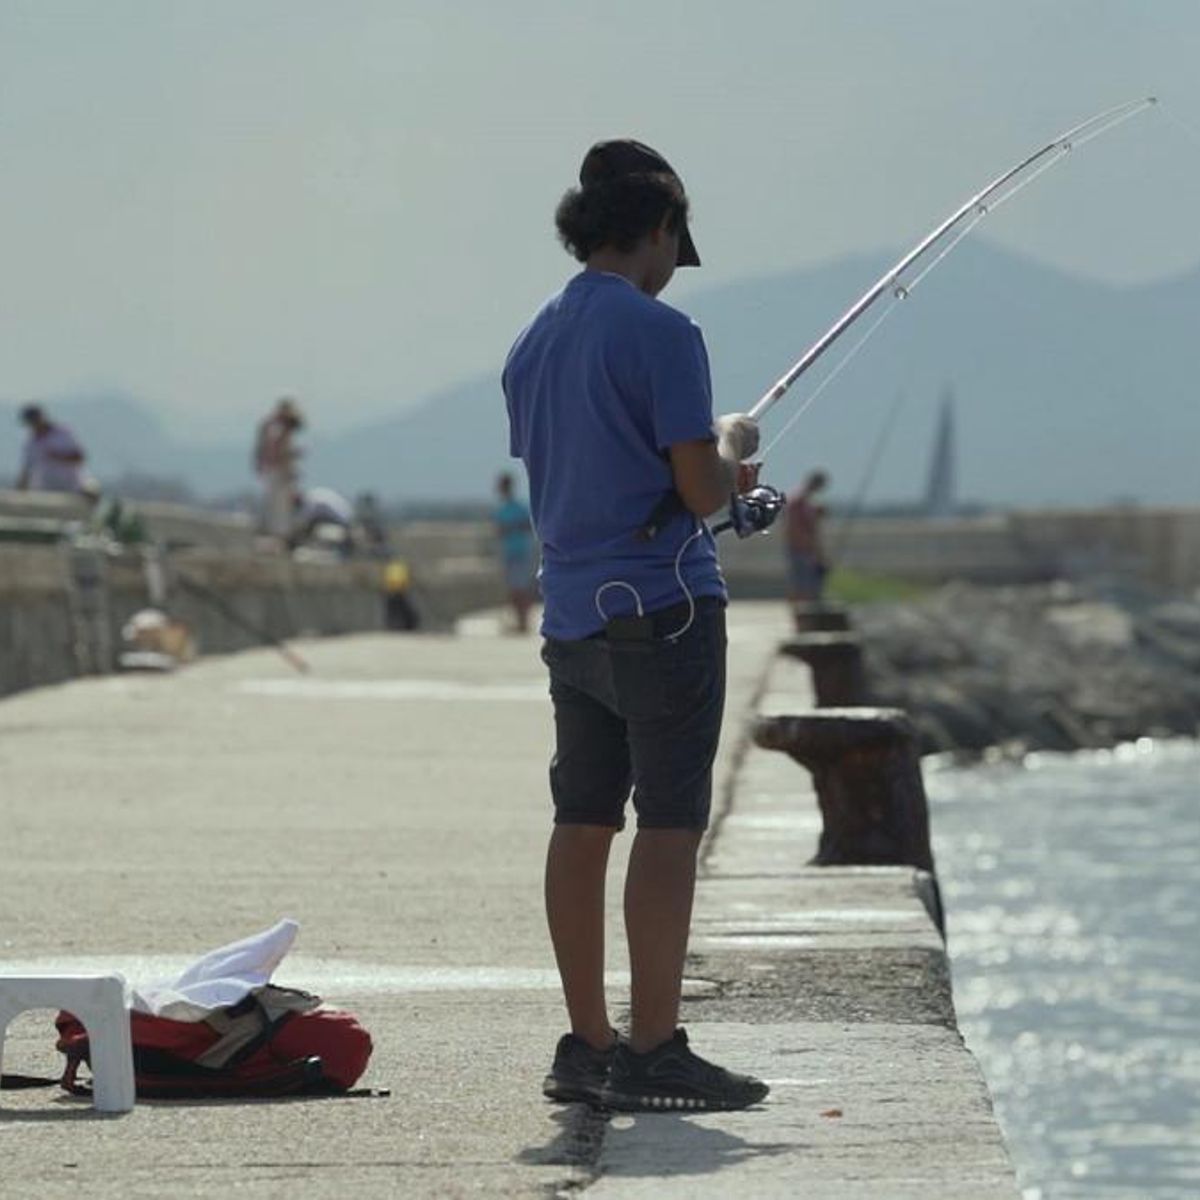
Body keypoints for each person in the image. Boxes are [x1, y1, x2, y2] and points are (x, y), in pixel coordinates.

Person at [502, 138, 769, 1113]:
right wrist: (734, 446)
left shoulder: (534, 341)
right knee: (668, 823)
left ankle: (587, 1043)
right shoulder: (663, 332)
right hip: (663, 613)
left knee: (581, 819)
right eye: (672, 242)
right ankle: (655, 1048)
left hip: (570, 619)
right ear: (657, 227)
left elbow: (583, 471)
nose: (671, 264)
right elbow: (698, 492)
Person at [253, 398, 304, 538]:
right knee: (278, 508)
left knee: (277, 506)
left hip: (274, 471)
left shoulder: (271, 427)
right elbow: (280, 453)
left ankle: (274, 538)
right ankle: (276, 538)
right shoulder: (278, 429)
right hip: (279, 472)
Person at [493, 471, 537, 632]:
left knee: (522, 589)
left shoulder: (519, 508)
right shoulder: (501, 510)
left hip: (521, 552)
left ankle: (523, 623)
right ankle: (519, 622)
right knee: (513, 589)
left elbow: (527, 528)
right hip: (509, 553)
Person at [784, 469, 830, 625]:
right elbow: (795, 528)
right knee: (801, 588)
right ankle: (800, 620)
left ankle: (805, 619)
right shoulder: (798, 502)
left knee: (808, 587)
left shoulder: (805, 502)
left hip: (806, 550)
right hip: (800, 550)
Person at [16, 404, 87, 493]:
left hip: (71, 487)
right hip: (46, 489)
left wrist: (57, 456)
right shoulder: (30, 443)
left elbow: (79, 457)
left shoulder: (63, 433)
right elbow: (26, 471)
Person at [289, 486, 355, 555]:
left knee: (310, 525)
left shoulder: (309, 501)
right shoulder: (312, 494)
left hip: (341, 519)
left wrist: (294, 534)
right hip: (345, 514)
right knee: (312, 522)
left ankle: (308, 548)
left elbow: (304, 519)